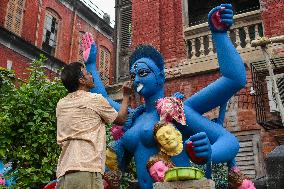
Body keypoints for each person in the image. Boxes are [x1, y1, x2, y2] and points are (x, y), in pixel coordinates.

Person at [82, 4, 250, 189]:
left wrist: (210, 152)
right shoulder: (132, 117)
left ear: (161, 77)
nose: (137, 78)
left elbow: (233, 82)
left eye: (143, 73)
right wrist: (90, 65)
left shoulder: (176, 110)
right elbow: (101, 100)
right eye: (133, 75)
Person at [55, 62, 133, 189]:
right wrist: (126, 96)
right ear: (82, 80)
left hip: (64, 171)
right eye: (88, 74)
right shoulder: (94, 99)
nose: (91, 76)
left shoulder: (61, 104)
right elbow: (121, 119)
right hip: (86, 169)